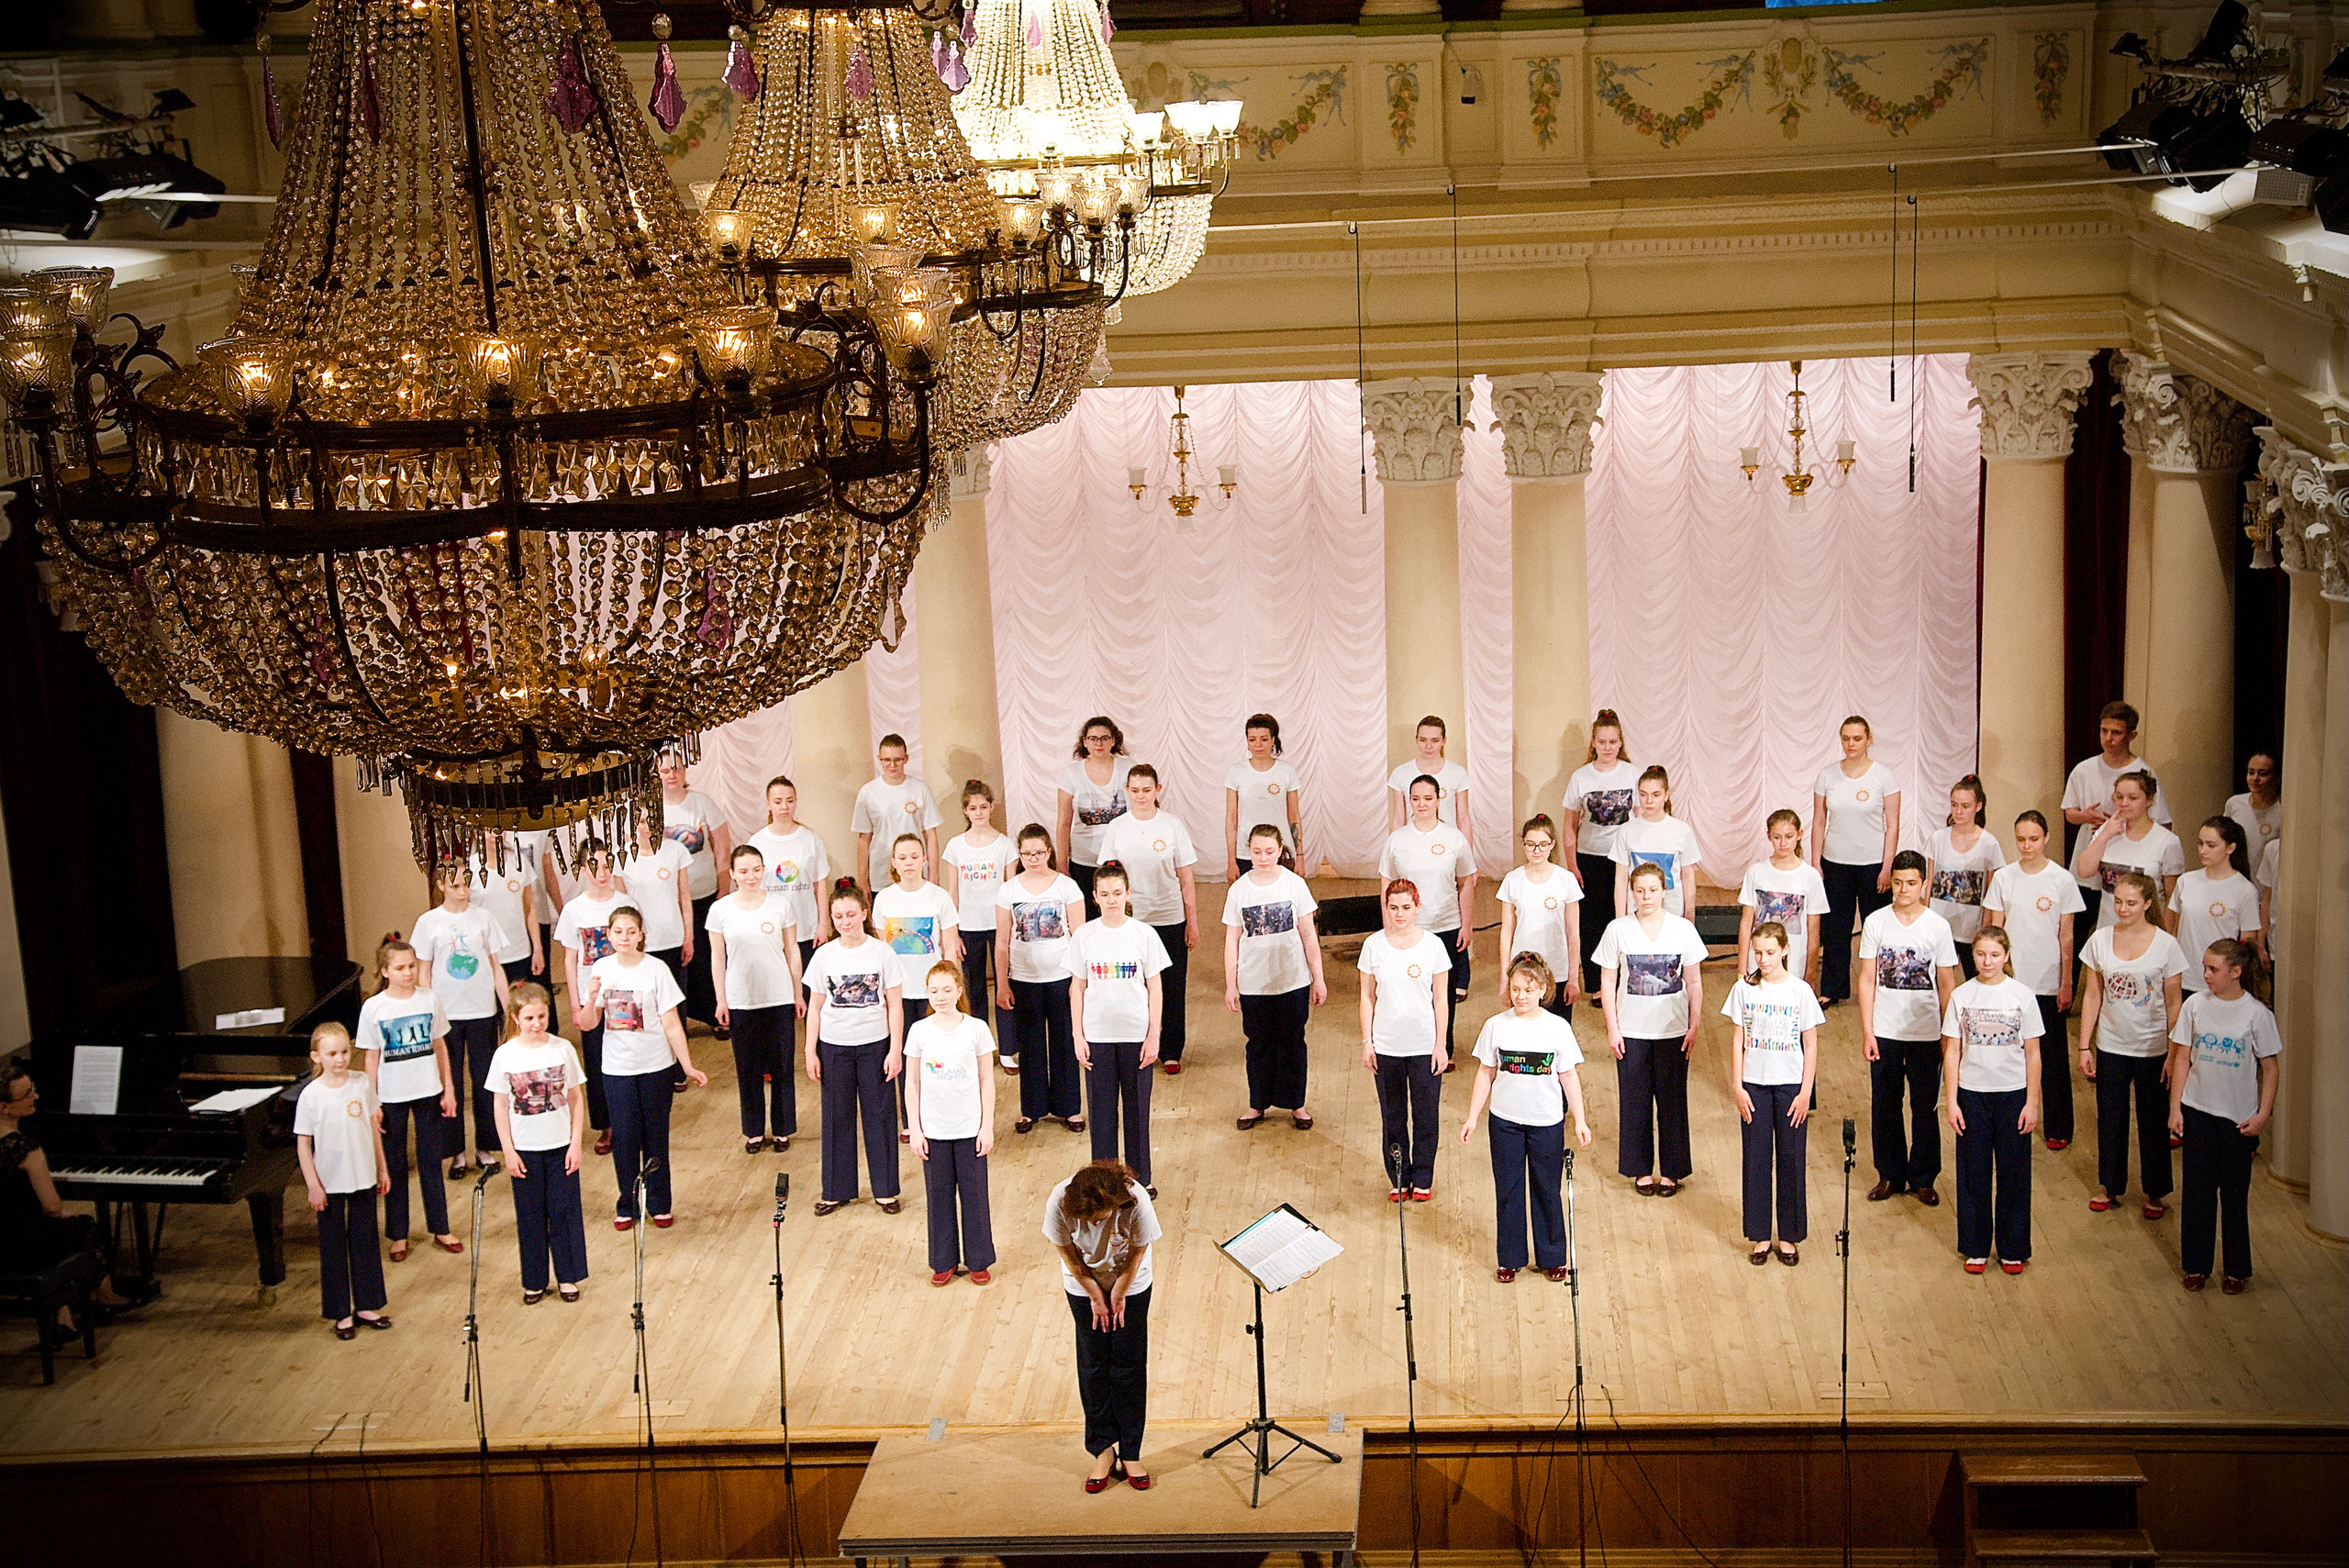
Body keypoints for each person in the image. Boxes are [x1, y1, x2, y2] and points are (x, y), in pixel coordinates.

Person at [1460, 952, 1592, 1284]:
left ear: (1543, 990)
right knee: (1508, 1189)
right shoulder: (1496, 1026)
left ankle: (1552, 1256)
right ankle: (1510, 1258)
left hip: (1546, 1123)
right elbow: (1485, 1074)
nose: (1521, 996)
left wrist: (1580, 1120)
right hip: (1504, 1122)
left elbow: (1569, 1077)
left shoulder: (1557, 1028)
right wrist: (1472, 1117)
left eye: (1528, 990)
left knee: (1547, 1188)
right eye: (1516, 989)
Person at [576, 907, 707, 1229]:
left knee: (655, 1136)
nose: (624, 938)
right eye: (618, 932)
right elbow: (588, 1023)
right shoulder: (601, 969)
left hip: (656, 1066)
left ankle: (660, 1203)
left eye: (630, 932)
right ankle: (628, 1204)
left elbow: (671, 1022)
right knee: (624, 1137)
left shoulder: (657, 969)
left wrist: (686, 1065)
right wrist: (591, 999)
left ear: (640, 935)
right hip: (617, 1069)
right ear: (608, 934)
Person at [2167, 939, 2280, 1294]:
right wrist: (2176, 1107)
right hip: (2199, 1112)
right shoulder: (2195, 1006)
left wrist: (2263, 1115)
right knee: (2197, 1194)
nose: (2205, 975)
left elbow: (2270, 1068)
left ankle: (2236, 1269)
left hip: (2237, 1121)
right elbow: (2183, 1058)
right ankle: (2196, 1266)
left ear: (2236, 972)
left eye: (2213, 969)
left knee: (2234, 1196)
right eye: (2204, 967)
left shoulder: (2257, 1014)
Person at [1043, 1161, 1161, 1493]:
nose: (1097, 1224)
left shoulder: (1135, 1199)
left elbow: (1139, 1250)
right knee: (1094, 1365)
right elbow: (1067, 1251)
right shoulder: (1059, 1201)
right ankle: (1103, 1449)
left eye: (1102, 1216)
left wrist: (1119, 1292)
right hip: (1083, 1284)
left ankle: (1132, 1452)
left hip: (1131, 1282)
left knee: (1129, 1365)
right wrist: (1095, 1293)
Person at [1594, 861, 1709, 1197]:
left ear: (1664, 891)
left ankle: (1672, 1170)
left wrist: (1694, 1023)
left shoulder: (1683, 930)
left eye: (1653, 890)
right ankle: (1641, 1168)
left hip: (1673, 1031)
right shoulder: (1618, 930)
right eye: (1640, 890)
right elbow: (1608, 980)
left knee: (1673, 1101)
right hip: (1632, 1030)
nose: (1646, 896)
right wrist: (1613, 1029)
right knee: (1635, 1101)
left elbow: (1695, 981)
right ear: (1632, 892)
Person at [2078, 872, 2186, 1218]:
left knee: (2152, 1120)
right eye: (2118, 901)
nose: (2123, 909)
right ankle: (2110, 1185)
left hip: (2153, 1047)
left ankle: (2155, 1191)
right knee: (2110, 1118)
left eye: (2131, 903)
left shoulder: (2166, 945)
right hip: (2111, 1044)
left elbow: (2173, 1003)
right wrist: (2084, 1045)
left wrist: (2174, 1050)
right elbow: (2093, 993)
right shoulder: (2100, 940)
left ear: (2148, 904)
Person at [0, 1065, 136, 1337]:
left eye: (33, 1089)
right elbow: (52, 1207)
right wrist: (61, 1214)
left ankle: (64, 1318)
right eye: (27, 1095)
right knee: (83, 1224)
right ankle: (105, 1295)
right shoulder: (25, 1148)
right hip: (24, 1246)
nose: (35, 1097)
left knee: (55, 1233)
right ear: (4, 1107)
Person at [1858, 851, 1959, 1206]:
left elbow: (1946, 984)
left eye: (1911, 883)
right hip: (1885, 1030)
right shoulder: (1875, 922)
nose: (1902, 890)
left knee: (1924, 1105)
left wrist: (1949, 1035)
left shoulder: (1937, 927)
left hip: (1926, 1032)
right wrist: (1868, 1031)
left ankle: (1923, 1177)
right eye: (1898, 883)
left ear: (1924, 884)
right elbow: (1868, 977)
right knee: (1885, 1104)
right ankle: (1890, 1174)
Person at [1942, 929, 2043, 1274]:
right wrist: (1951, 1101)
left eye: (1995, 955)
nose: (1987, 962)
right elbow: (1953, 1049)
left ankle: (2013, 1247)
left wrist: (2032, 1103)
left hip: (2013, 1094)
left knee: (2014, 1172)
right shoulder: (1961, 995)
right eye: (1981, 955)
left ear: (2007, 956)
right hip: (1972, 1094)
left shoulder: (2022, 996)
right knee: (1974, 1172)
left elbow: (2033, 1054)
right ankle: (1975, 1246)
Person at [1983, 811, 2086, 1151]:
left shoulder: (2062, 880)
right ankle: (2013, 1114)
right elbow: (1995, 932)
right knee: (2009, 1051)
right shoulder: (2004, 878)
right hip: (2011, 980)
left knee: (2053, 1054)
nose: (2027, 846)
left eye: (2034, 839)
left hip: (2046, 981)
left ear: (2046, 838)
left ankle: (2058, 1124)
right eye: (2021, 839)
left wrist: (2066, 982)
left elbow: (2067, 937)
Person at [1720, 922, 1820, 1265]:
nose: (1763, 959)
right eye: (1758, 952)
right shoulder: (1744, 990)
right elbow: (1738, 1039)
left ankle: (1789, 1235)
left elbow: (1810, 1042)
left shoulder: (1800, 992)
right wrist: (1737, 1085)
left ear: (1785, 950)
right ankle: (1760, 1235)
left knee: (1791, 1160)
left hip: (1791, 1086)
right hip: (1754, 1085)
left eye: (1770, 953)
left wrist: (1806, 1091)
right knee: (1756, 1160)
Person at [355, 939, 460, 1262]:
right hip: (391, 1096)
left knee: (431, 1161)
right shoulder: (374, 1007)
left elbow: (440, 1046)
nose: (408, 973)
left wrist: (449, 1088)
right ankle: (398, 1234)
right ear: (385, 971)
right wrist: (372, 1102)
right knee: (395, 1164)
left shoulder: (429, 999)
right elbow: (371, 1058)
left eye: (412, 966)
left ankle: (440, 1227)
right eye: (400, 968)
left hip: (427, 1090)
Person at [804, 880, 905, 1215]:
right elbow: (815, 1007)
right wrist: (809, 1051)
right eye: (838, 916)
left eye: (850, 914)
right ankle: (836, 1189)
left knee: (880, 1116)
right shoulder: (823, 956)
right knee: (836, 1117)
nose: (845, 922)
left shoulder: (882, 952)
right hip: (835, 1048)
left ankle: (886, 1190)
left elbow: (895, 1005)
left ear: (864, 913)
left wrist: (894, 1050)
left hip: (875, 1046)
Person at [1069, 863, 1171, 1189]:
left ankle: (1141, 1180)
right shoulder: (1084, 935)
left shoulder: (1144, 935)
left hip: (1136, 1036)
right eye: (1104, 894)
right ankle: (1105, 1183)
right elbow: (1077, 988)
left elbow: (1155, 987)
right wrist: (1077, 1035)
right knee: (1101, 1115)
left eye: (1117, 893)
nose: (1111, 900)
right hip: (1097, 1036)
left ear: (1128, 894)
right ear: (1094, 897)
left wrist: (1154, 1035)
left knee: (1137, 1112)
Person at [410, 864, 513, 1182]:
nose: (462, 890)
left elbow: (496, 966)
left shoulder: (483, 918)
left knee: (485, 1080)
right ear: (441, 885)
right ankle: (456, 1152)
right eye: (455, 885)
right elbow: (424, 970)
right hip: (446, 1014)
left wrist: (508, 1007)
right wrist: (428, 1010)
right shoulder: (428, 923)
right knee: (449, 1081)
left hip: (481, 1009)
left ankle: (486, 1148)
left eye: (466, 884)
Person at [488, 984, 588, 1305]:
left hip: (559, 1146)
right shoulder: (505, 1055)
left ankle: (568, 1276)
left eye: (542, 1016)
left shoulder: (562, 1049)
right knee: (530, 1216)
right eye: (529, 1017)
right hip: (525, 1149)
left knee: (564, 1212)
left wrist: (575, 1144)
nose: (536, 1023)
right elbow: (500, 1106)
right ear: (516, 1018)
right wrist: (508, 1151)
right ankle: (534, 1280)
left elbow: (575, 1098)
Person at [1225, 823, 1328, 1131]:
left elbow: (1309, 935)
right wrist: (1232, 984)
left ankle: (1297, 1104)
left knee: (1293, 1042)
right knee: (1257, 1044)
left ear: (1280, 851)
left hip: (1292, 981)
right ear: (1249, 852)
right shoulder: (1239, 890)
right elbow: (1232, 940)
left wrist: (1318, 978)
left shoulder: (1295, 885)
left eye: (1269, 851)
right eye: (1257, 852)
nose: (1263, 857)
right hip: (1254, 984)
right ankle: (1257, 1103)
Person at [294, 1022, 393, 1338]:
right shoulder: (311, 1095)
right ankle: (340, 1312)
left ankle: (366, 1304)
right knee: (334, 1248)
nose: (340, 1059)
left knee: (365, 1242)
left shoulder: (362, 1083)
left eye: (345, 1052)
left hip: (362, 1175)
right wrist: (313, 1185)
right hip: (330, 1183)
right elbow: (303, 1144)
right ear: (317, 1056)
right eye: (332, 1053)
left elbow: (372, 1129)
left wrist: (383, 1169)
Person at [1097, 765, 1199, 1073]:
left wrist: (1191, 920)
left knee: (1171, 984)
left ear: (1158, 789)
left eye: (1147, 790)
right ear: (1127, 790)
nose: (1141, 796)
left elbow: (1185, 877)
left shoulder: (1172, 826)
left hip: (1169, 916)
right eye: (1135, 790)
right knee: (1133, 985)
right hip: (1132, 920)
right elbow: (1107, 876)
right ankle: (1139, 1044)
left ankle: (1170, 1049)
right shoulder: (1117, 827)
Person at [707, 843, 806, 1153]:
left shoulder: (780, 905)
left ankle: (782, 1129)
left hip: (778, 996)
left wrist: (797, 993)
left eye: (756, 869)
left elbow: (792, 950)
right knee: (747, 1067)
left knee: (781, 1066)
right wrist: (721, 999)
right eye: (744, 871)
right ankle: (753, 1130)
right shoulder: (720, 909)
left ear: (764, 870)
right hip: (741, 999)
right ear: (733, 874)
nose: (751, 876)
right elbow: (718, 958)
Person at [905, 962, 997, 1286]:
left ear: (959, 991)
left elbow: (987, 1079)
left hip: (969, 1129)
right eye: (934, 991)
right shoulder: (919, 1031)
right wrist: (915, 1130)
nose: (940, 997)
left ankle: (978, 1260)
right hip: (934, 1131)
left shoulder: (976, 1029)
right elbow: (912, 1084)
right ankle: (943, 1261)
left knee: (975, 1197)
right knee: (938, 1197)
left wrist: (986, 1127)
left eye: (947, 990)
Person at [1359, 879, 1451, 1202]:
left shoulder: (1433, 946)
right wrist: (1367, 1041)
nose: (1400, 914)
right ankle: (1398, 1176)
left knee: (1426, 1116)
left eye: (1406, 908)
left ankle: (1423, 1177)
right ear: (1386, 908)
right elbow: (1367, 997)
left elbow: (1441, 998)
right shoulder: (1373, 946)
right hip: (1386, 1048)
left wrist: (1441, 1045)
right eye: (1393, 908)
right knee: (1393, 1117)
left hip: (1424, 1047)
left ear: (1417, 907)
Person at [997, 825, 1087, 1133]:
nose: (1033, 859)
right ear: (1019, 855)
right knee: (1031, 1043)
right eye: (1026, 854)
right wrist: (1002, 982)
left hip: (1061, 976)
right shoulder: (1009, 890)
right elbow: (1001, 941)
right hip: (1023, 978)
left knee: (1063, 1040)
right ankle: (1031, 1109)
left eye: (1039, 853)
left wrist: (1081, 981)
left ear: (1049, 852)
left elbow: (1079, 937)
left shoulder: (1067, 887)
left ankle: (1069, 1109)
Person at [876, 830, 964, 1139]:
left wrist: (952, 991)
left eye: (915, 856)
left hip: (934, 995)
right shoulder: (884, 899)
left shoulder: (939, 897)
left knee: (936, 1057)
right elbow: (880, 951)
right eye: (902, 858)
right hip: (898, 994)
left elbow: (950, 949)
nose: (909, 862)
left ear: (925, 859)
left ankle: (938, 1118)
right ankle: (909, 1120)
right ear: (893, 862)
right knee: (903, 1056)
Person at [2062, 702, 2172, 944]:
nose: (2108, 738)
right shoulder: (2084, 769)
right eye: (2104, 731)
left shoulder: (2144, 772)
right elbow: (2070, 813)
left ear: (2131, 735)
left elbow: (2163, 824)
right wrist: (2086, 817)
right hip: (2090, 860)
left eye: (2116, 732)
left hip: (2126, 864)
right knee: (2079, 931)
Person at [1811, 716, 1903, 1006]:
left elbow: (1893, 826)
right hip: (1835, 863)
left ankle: (1881, 986)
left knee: (1876, 928)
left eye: (1857, 738)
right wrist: (1816, 864)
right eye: (1846, 738)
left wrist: (1887, 867)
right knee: (1835, 929)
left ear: (1868, 739)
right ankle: (1833, 988)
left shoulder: (1884, 777)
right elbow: (1818, 822)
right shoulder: (1827, 775)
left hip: (1874, 865)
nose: (1851, 744)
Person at [1380, 774, 1479, 1037]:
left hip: (1446, 926)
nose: (1421, 804)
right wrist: (1388, 926)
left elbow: (1466, 883)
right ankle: (1413, 1047)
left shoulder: (1454, 838)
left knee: (1444, 993)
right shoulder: (1397, 840)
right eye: (1415, 799)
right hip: (1408, 929)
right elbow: (1386, 885)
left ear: (1438, 799)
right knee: (1410, 990)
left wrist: (1466, 925)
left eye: (1427, 798)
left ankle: (1443, 1048)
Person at [553, 840, 631, 1150]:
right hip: (592, 999)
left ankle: (629, 1122)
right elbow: (570, 960)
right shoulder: (574, 910)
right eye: (594, 865)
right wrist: (576, 1003)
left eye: (607, 864)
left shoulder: (625, 903)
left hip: (624, 996)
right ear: (583, 869)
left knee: (626, 1058)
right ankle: (607, 1125)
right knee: (597, 1062)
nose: (602, 871)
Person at [1561, 709, 1636, 996]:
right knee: (1591, 923)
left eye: (1613, 742)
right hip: (1589, 857)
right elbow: (1569, 825)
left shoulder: (1632, 774)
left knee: (1619, 918)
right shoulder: (1580, 777)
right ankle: (1595, 985)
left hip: (1623, 859)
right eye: (1602, 742)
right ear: (1593, 743)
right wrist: (1572, 865)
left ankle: (1621, 980)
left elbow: (1640, 822)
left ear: (1620, 743)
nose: (1607, 747)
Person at [658, 750, 731, 1035]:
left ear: (685, 770)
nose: (671, 775)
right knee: (675, 959)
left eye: (675, 768)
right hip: (668, 899)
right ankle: (678, 1019)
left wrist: (724, 888)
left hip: (704, 893)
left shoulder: (702, 802)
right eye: (664, 771)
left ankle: (716, 1015)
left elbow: (722, 846)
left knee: (704, 957)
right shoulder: (651, 808)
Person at [1496, 814, 1583, 1021]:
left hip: (1557, 972)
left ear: (1552, 844)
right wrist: (1503, 978)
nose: (1537, 851)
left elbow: (1573, 933)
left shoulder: (1566, 880)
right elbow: (1506, 933)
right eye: (1531, 844)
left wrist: (1573, 978)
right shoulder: (1512, 880)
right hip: (1522, 970)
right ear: (1523, 843)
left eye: (1543, 845)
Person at [2075, 772, 2185, 933]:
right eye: (2119, 797)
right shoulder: (2108, 831)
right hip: (2108, 930)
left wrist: (2166, 937)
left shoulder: (2167, 841)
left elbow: (2172, 897)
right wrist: (2105, 835)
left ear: (2149, 800)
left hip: (2147, 933)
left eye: (2133, 798)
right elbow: (2084, 871)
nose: (2124, 803)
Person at [941, 780, 1011, 1031]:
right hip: (969, 926)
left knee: (1004, 983)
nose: (979, 812)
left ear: (991, 807)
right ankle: (978, 1040)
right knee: (974, 988)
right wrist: (954, 932)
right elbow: (953, 891)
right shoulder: (955, 846)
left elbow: (1011, 888)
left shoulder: (1005, 844)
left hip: (1000, 924)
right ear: (965, 810)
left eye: (983, 806)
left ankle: (1008, 1048)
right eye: (973, 808)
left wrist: (1012, 926)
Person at [1738, 808, 1829, 992]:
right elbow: (1747, 922)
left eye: (1788, 836)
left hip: (1795, 962)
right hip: (1759, 962)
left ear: (1799, 835)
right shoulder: (1756, 872)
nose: (1783, 843)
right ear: (1769, 836)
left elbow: (1813, 927)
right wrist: (1741, 968)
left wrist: (1811, 971)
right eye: (1777, 837)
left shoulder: (1810, 877)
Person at [1056, 717, 1137, 914]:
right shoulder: (1072, 773)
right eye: (1093, 738)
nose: (1098, 743)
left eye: (1104, 738)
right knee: (1088, 917)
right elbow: (1064, 823)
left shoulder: (1127, 769)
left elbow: (1141, 814)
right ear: (1084, 742)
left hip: (1122, 858)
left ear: (1113, 740)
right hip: (1084, 861)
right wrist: (1061, 864)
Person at [747, 774, 832, 961]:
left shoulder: (810, 838)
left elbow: (820, 884)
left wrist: (823, 925)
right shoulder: (757, 842)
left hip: (806, 928)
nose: (784, 807)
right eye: (778, 802)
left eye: (790, 801)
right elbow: (750, 888)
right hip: (770, 928)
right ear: (768, 804)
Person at [1927, 776, 2004, 979]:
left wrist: (1986, 931)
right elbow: (1929, 885)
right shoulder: (1938, 838)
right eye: (1954, 805)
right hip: (1940, 925)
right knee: (1936, 981)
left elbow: (1991, 892)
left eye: (1965, 806)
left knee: (1976, 980)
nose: (1958, 812)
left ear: (1978, 806)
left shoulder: (1989, 844)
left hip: (1971, 930)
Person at [2172, 817, 2263, 989]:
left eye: (2211, 845)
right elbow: (2174, 928)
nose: (2203, 850)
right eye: (2200, 843)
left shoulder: (2245, 890)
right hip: (2185, 977)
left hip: (2220, 982)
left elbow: (2247, 944)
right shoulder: (2186, 881)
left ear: (2230, 848)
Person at [1610, 765, 1703, 920]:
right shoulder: (1627, 831)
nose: (1649, 801)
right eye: (1643, 794)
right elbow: (1620, 879)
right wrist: (1620, 919)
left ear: (1666, 795)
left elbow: (1688, 876)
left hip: (1672, 912)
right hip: (1636, 913)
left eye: (1656, 795)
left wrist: (1690, 916)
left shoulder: (1681, 830)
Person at [854, 733, 943, 895]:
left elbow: (931, 835)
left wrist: (934, 875)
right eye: (887, 760)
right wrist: (862, 879)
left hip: (915, 874)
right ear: (879, 758)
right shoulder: (868, 792)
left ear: (906, 759)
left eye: (898, 759)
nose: (892, 765)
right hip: (881, 876)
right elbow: (864, 839)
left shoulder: (920, 789)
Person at [1225, 713, 1304, 883]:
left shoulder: (1286, 771)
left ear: (1273, 739)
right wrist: (1231, 860)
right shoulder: (1236, 772)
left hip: (1280, 851)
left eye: (1264, 739)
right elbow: (1231, 819)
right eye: (1252, 740)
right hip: (1246, 852)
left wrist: (1300, 855)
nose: (1258, 745)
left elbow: (1294, 816)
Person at [615, 814, 695, 983]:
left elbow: (685, 898)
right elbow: (621, 907)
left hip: (672, 939)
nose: (647, 827)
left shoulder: (675, 850)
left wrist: (689, 937)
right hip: (638, 941)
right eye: (642, 821)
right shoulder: (620, 855)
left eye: (652, 820)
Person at [1387, 715, 1473, 860]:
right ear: (1416, 740)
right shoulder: (1401, 773)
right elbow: (1398, 818)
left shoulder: (1457, 773)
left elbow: (1463, 818)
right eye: (1423, 740)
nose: (1428, 746)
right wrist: (1393, 852)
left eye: (1434, 741)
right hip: (1412, 846)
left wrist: (1467, 857)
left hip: (1448, 847)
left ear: (1443, 741)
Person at [2223, 752, 2281, 858]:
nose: (2255, 778)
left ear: (2277, 778)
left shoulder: (2283, 809)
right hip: (2239, 872)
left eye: (2263, 774)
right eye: (2251, 773)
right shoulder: (2234, 803)